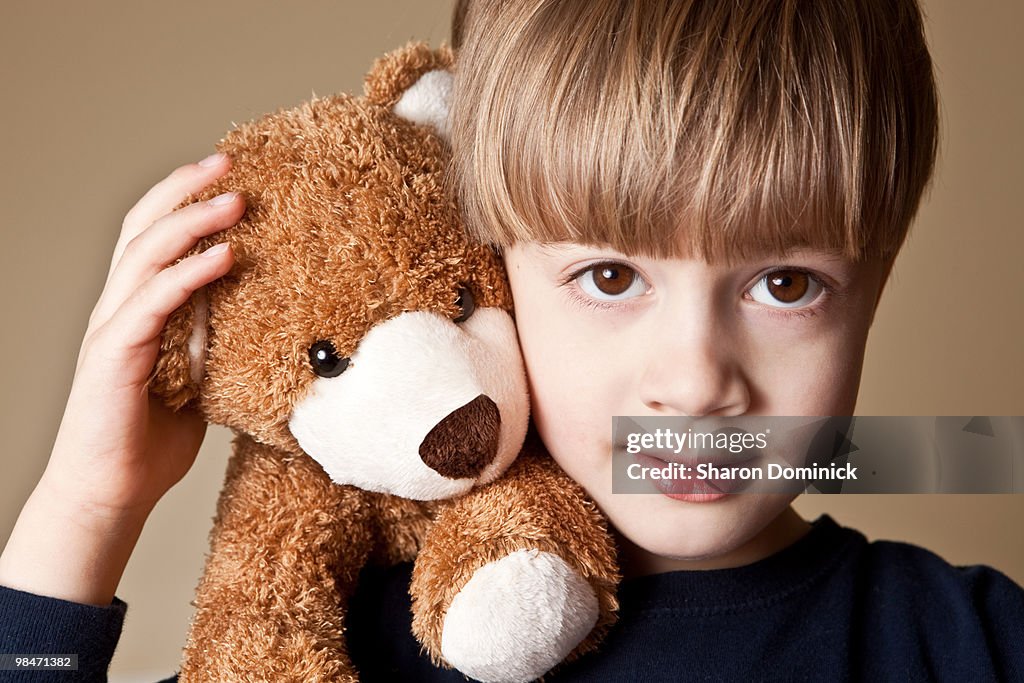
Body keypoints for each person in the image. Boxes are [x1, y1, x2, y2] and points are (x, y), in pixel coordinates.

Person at [1, 0, 1022, 681]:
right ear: (483, 263)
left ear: (874, 280)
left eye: (785, 282)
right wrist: (90, 507)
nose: (696, 380)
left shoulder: (970, 644)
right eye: (610, 275)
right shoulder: (347, 643)